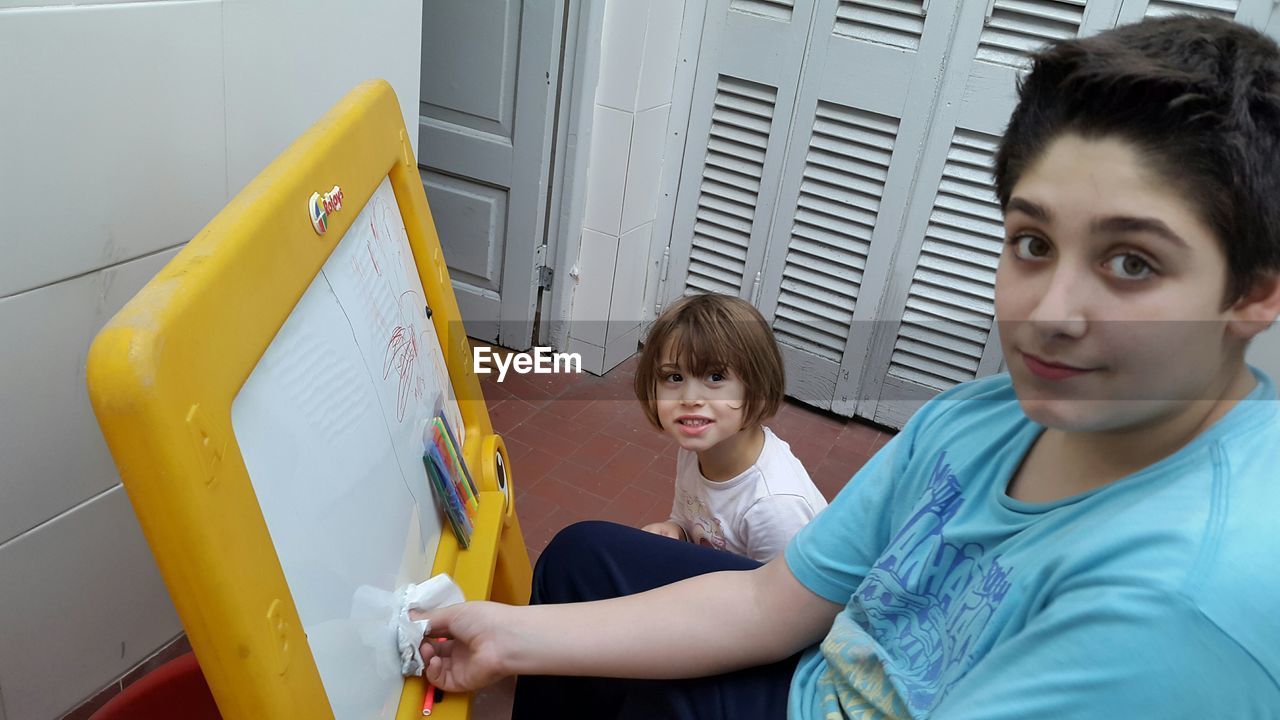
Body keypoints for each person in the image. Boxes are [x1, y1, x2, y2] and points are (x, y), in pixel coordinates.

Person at [413, 15, 1280, 719]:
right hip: (822, 675)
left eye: (1132, 262)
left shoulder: (1179, 608)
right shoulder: (975, 418)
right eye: (1032, 242)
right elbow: (769, 606)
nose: (1049, 314)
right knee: (580, 563)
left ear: (1255, 294)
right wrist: (513, 639)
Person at [633, 293, 828, 561]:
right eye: (674, 377)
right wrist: (675, 530)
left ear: (757, 387)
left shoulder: (774, 507)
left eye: (715, 377)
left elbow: (778, 600)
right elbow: (690, 519)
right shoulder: (699, 446)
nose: (690, 399)